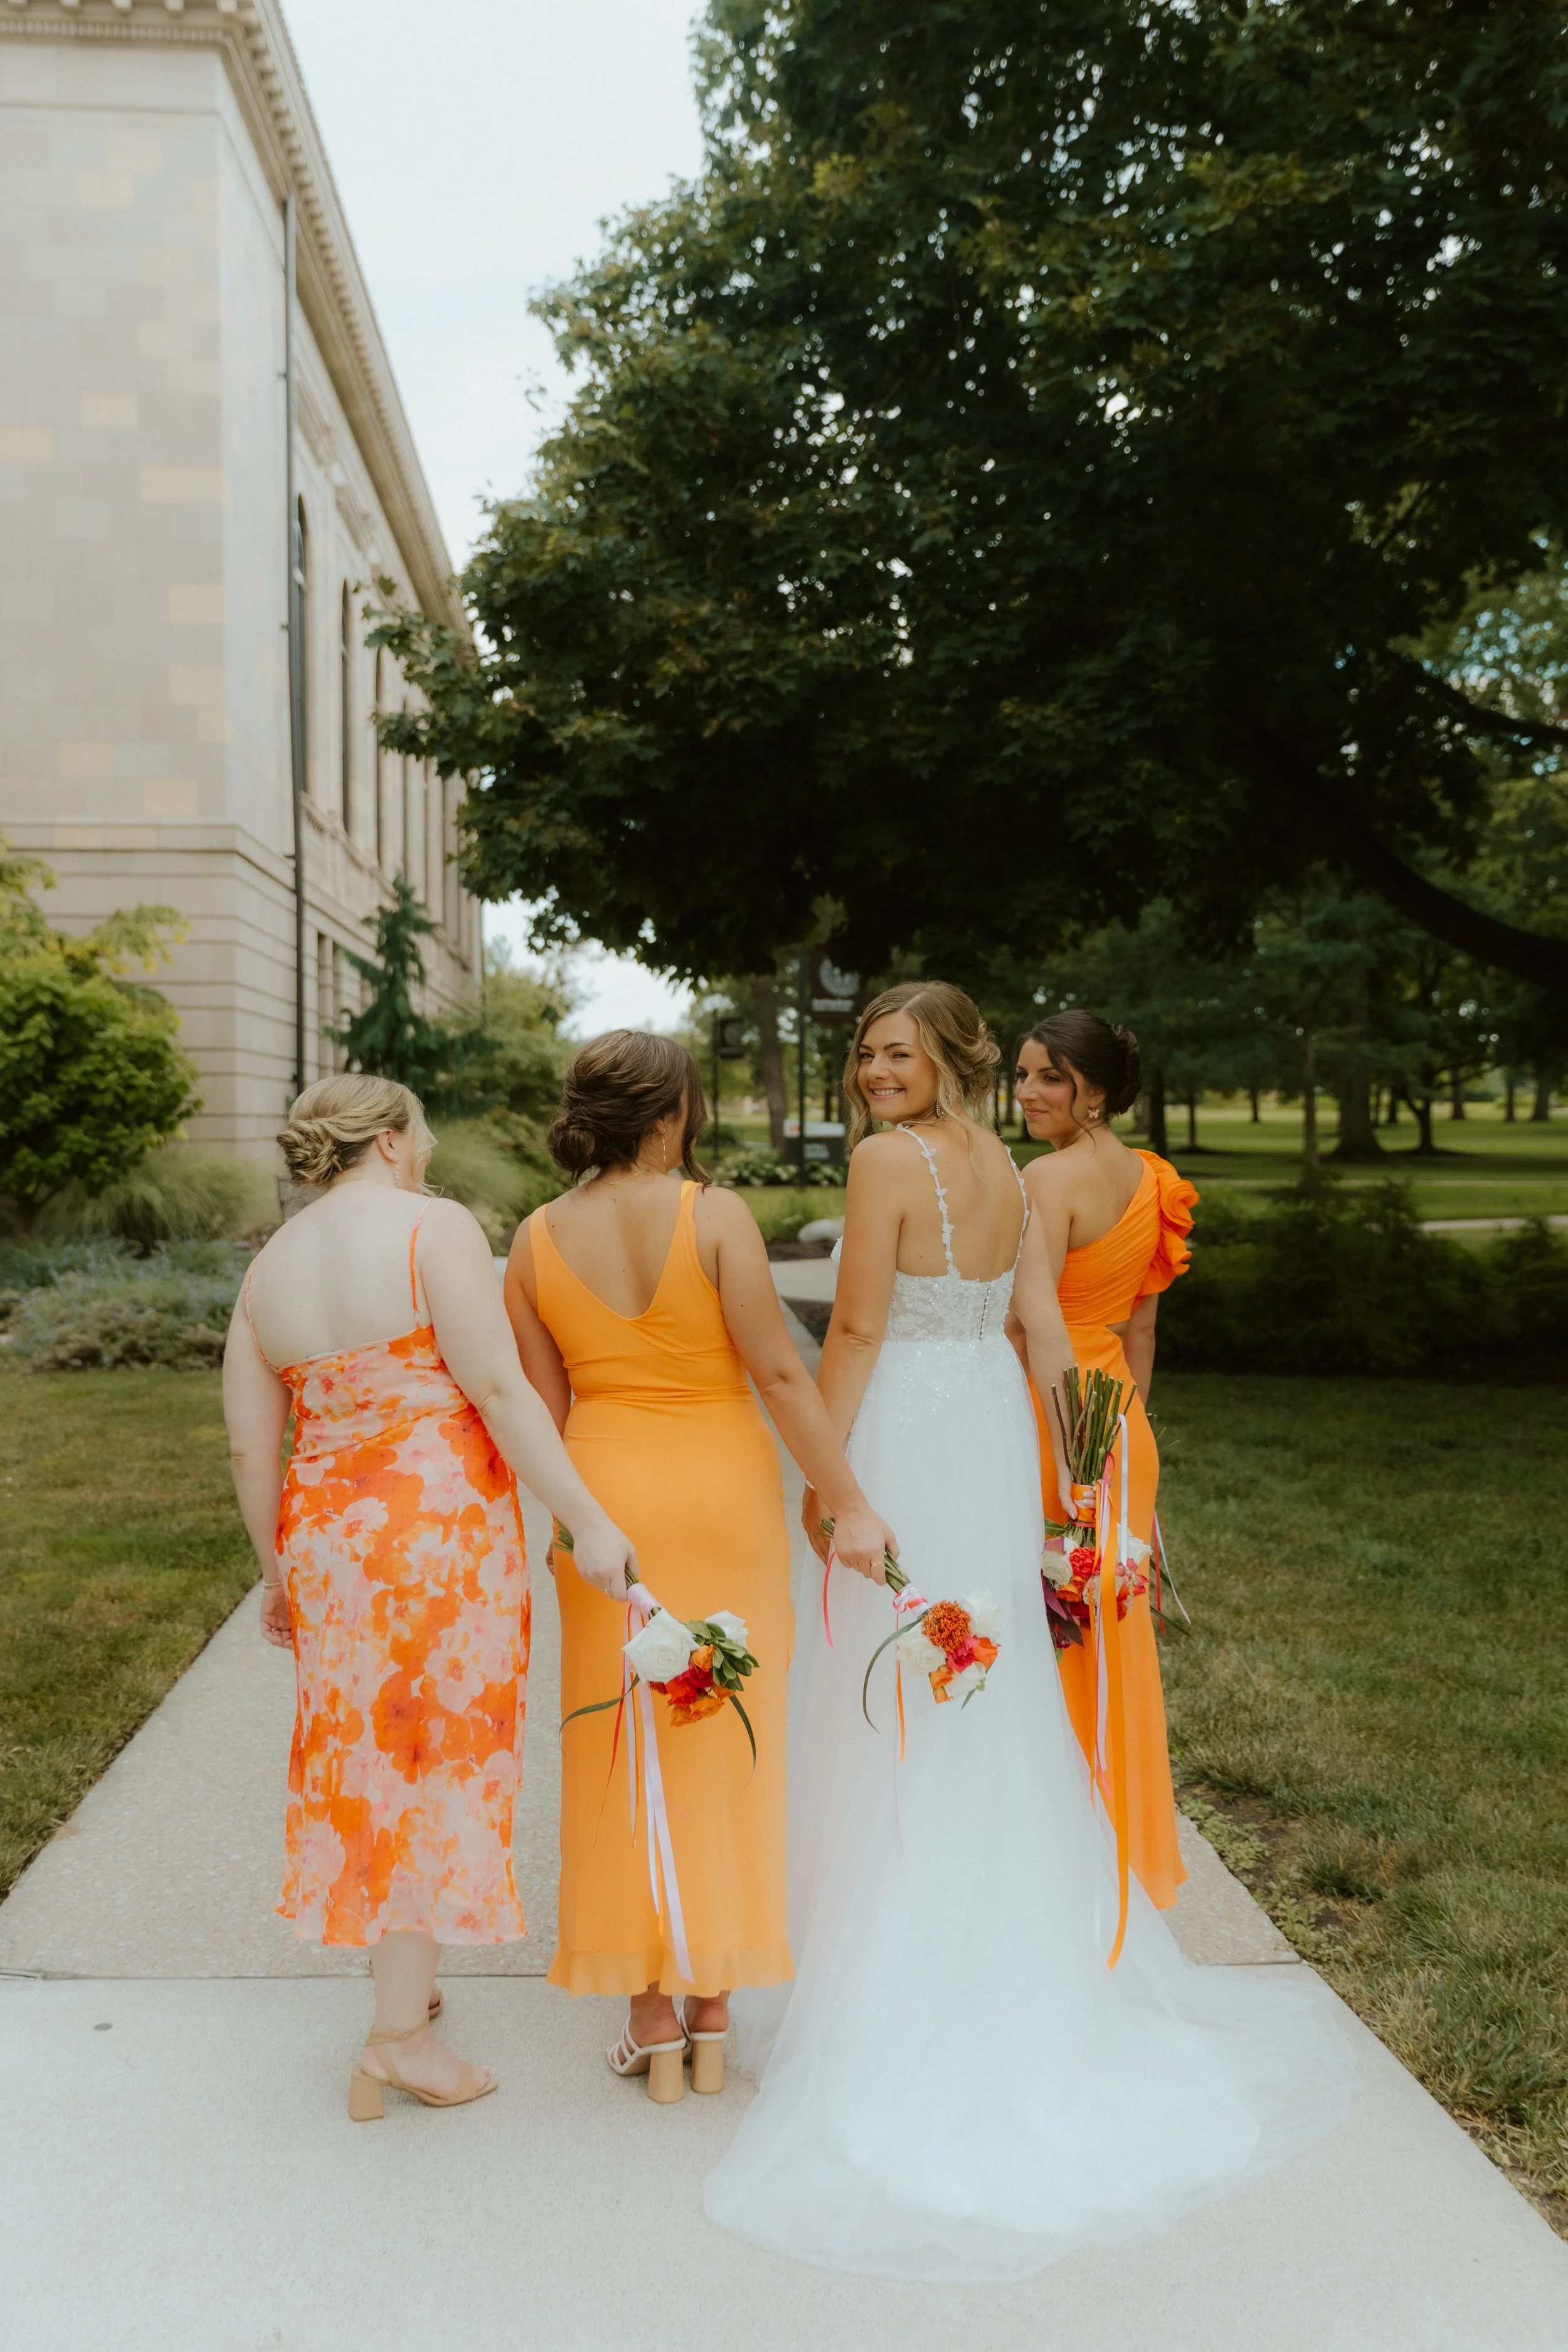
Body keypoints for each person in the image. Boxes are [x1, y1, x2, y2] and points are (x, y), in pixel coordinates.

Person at [704, 982, 1352, 2280]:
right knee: (978, 1699)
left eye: (894, 1053)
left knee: (892, 1698)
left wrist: (827, 1480)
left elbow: (861, 1329)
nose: (870, 1072)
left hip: (903, 1433)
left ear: (946, 1060)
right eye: (860, 1052)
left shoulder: (891, 1161)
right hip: (990, 1441)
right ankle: (1022, 1974)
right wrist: (1082, 1470)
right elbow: (1033, 1328)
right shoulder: (1006, 1160)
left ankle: (892, 2003)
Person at [223, 1074, 637, 2122]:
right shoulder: (433, 1228)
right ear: (393, 1139)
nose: (436, 1142)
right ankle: (397, 2038)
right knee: (433, 1760)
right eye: (427, 1128)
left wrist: (278, 1573)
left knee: (366, 1758)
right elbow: (496, 1388)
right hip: (435, 1540)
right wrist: (587, 1517)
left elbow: (247, 1442)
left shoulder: (269, 1266)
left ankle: (405, 1983)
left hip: (327, 1540)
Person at [505, 1031, 897, 2104]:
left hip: (606, 1501)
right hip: (722, 1492)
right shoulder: (711, 1214)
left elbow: (543, 1413)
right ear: (674, 1114)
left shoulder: (534, 1239)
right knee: (729, 1737)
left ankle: (646, 2015)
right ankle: (714, 2004)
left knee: (616, 1742)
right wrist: (848, 1500)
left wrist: (565, 1522)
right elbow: (778, 1366)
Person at [1013, 1011, 1196, 1910]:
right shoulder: (1153, 1178)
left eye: (1048, 1077)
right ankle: (1105, 1845)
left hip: (1059, 1420)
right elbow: (1142, 1326)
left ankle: (1055, 1845)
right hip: (1121, 1417)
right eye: (1021, 1075)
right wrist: (1127, 1424)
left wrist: (1070, 1446)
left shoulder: (1046, 1180)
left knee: (1052, 1629)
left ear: (1092, 1086)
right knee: (1105, 1635)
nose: (1027, 1093)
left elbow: (1029, 1319)